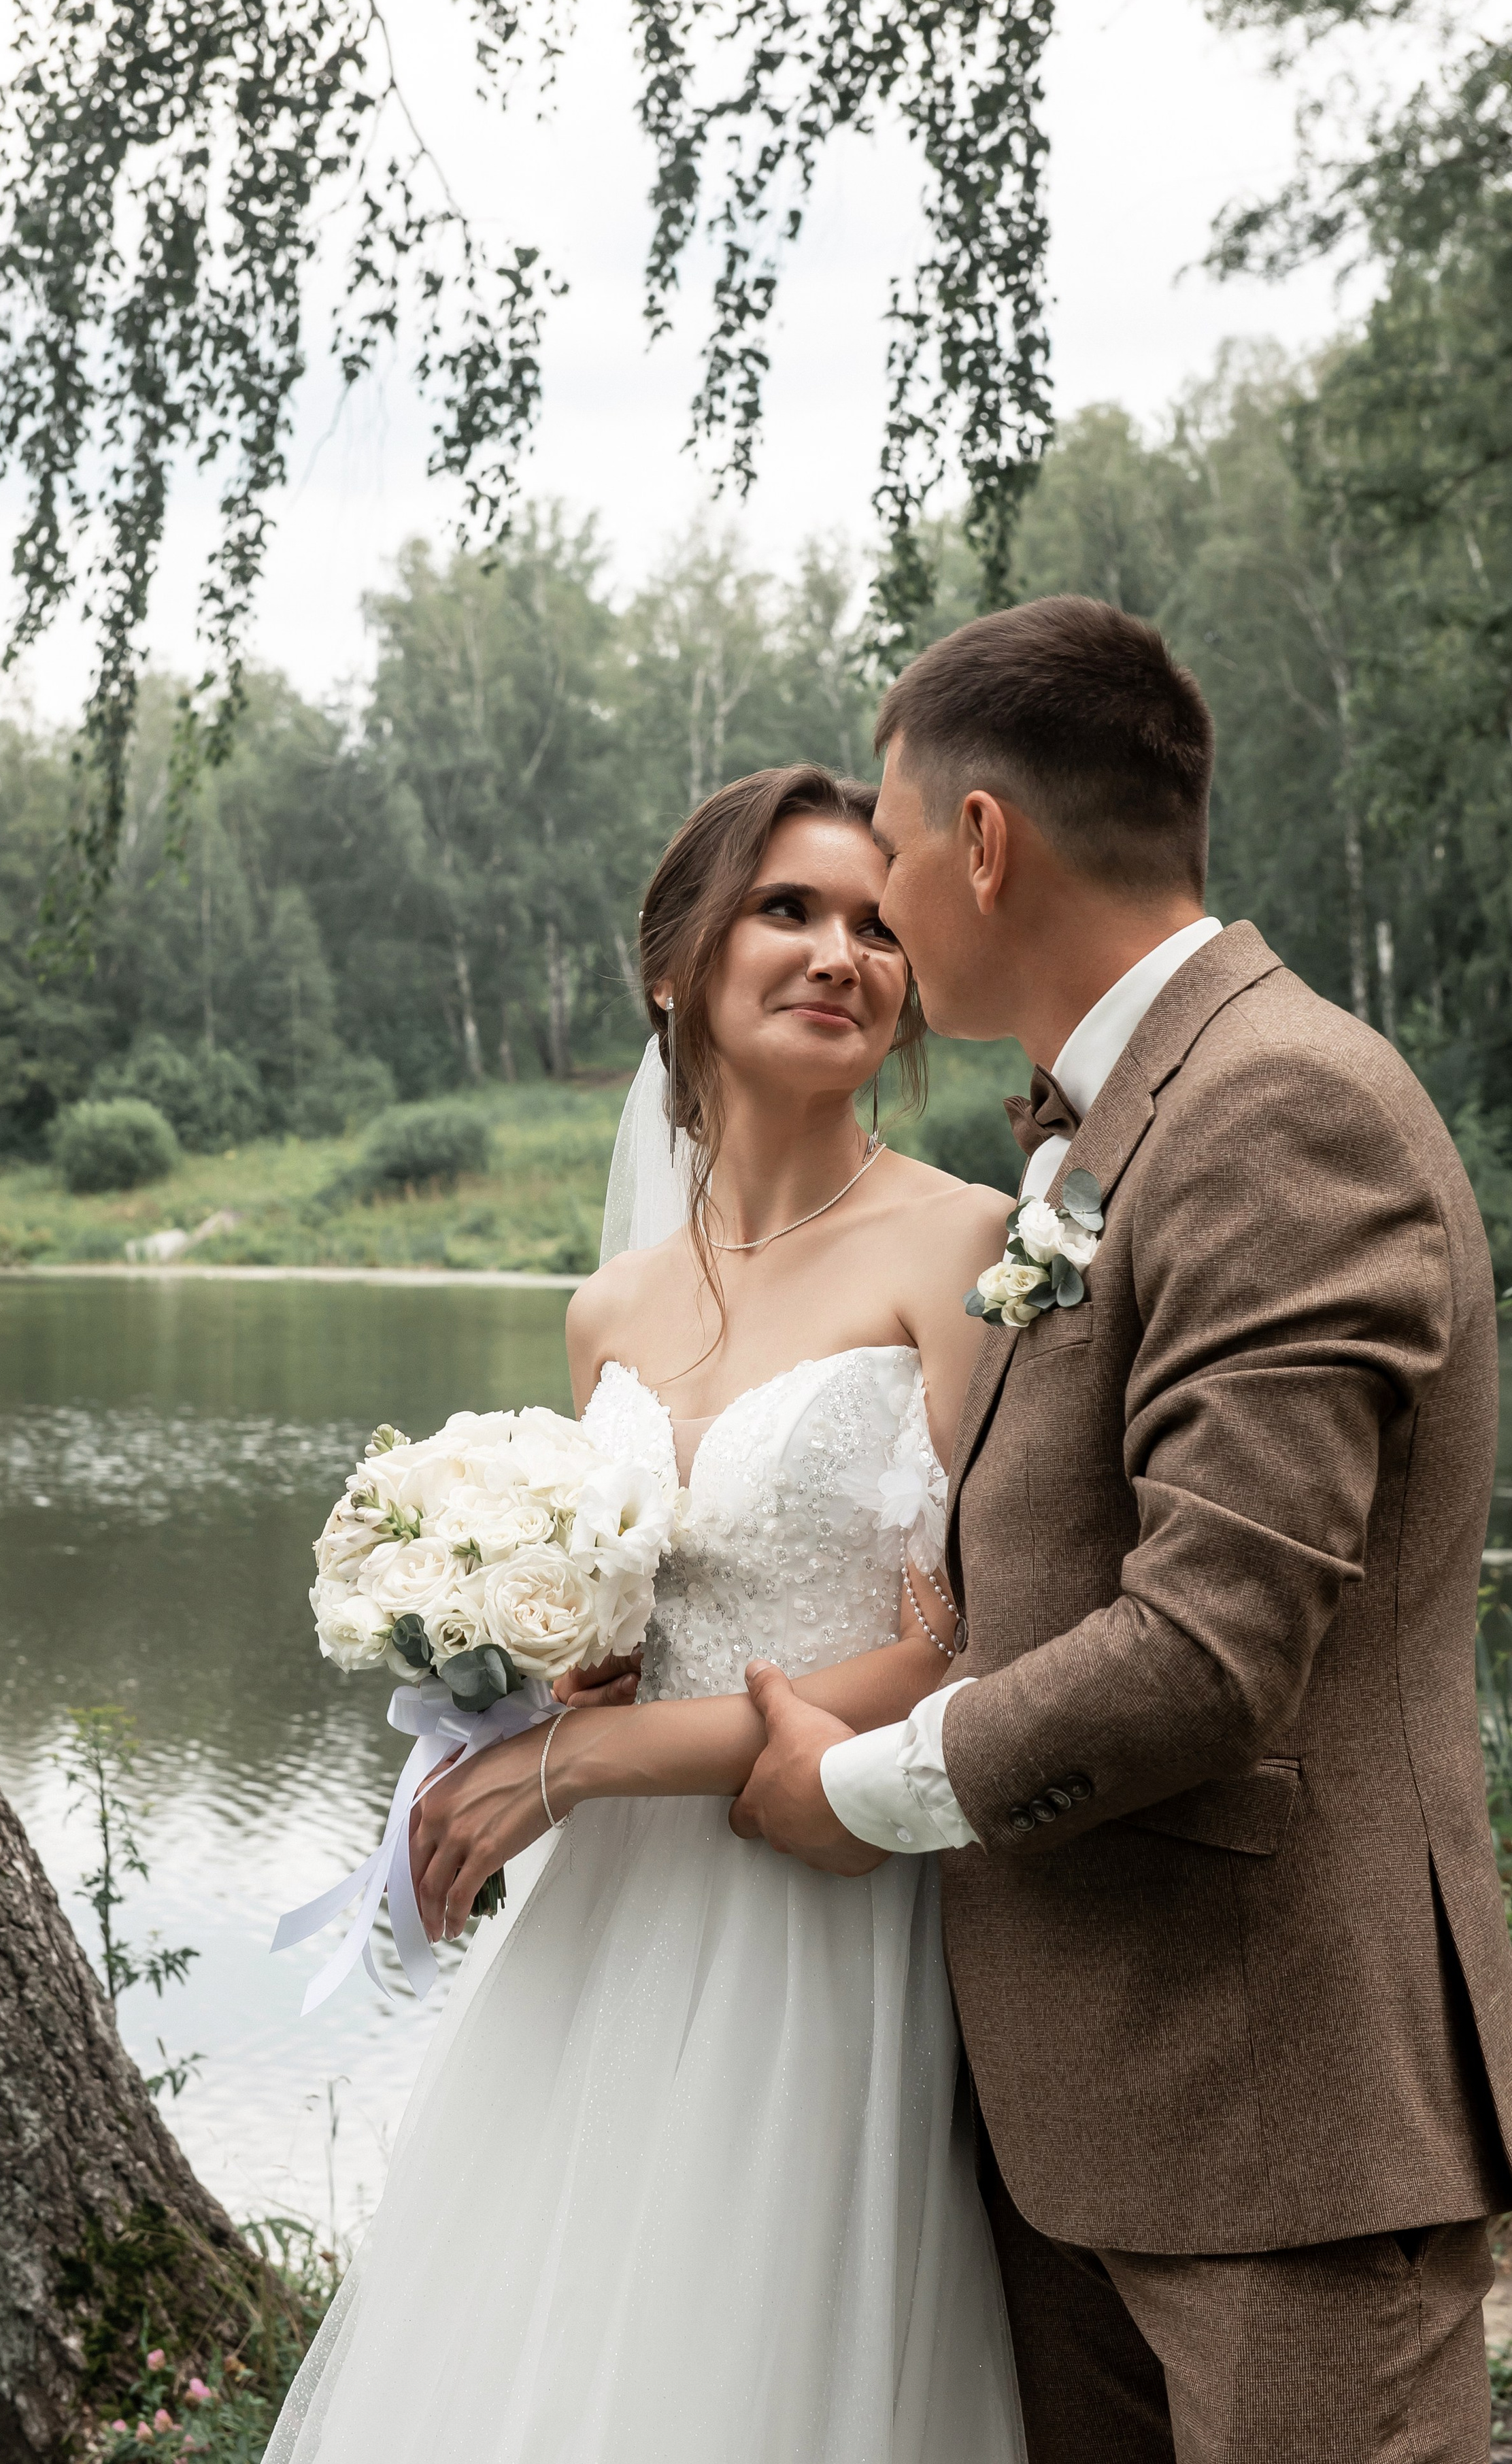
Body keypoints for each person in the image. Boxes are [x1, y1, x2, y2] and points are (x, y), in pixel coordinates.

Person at [730, 596, 1512, 2463]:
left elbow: (1212, 1640)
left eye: (897, 851)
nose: (885, 912)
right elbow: (1053, 1547)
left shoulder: (1284, 1107)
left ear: (982, 842)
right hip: (1089, 2105)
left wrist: (857, 1792)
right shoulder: (1098, 1131)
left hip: (1281, 2117)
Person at [263, 763, 1026, 2464]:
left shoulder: (960, 1244)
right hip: (607, 1927)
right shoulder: (604, 1308)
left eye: (875, 923)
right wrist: (505, 1708)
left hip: (827, 1909)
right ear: (673, 962)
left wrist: (593, 1760)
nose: (843, 952)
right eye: (788, 909)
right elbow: (609, 1637)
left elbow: (965, 1643)